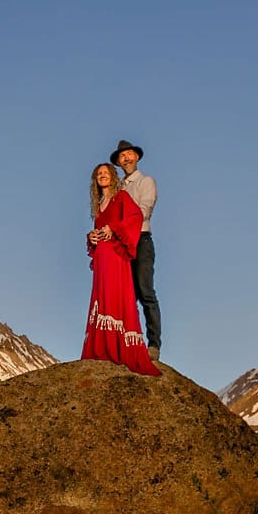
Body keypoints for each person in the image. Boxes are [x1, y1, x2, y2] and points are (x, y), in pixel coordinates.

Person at [81, 162, 160, 376]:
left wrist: (112, 228)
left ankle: (120, 345)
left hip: (116, 256)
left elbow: (135, 217)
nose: (102, 176)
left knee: (118, 296)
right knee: (102, 297)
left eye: (106, 173)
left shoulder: (122, 198)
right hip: (102, 257)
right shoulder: (99, 205)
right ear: (95, 180)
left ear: (113, 177)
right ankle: (103, 345)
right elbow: (100, 229)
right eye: (99, 174)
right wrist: (93, 236)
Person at [110, 139, 160, 359]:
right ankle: (129, 340)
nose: (126, 158)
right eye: (122, 156)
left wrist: (120, 226)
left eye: (129, 154)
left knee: (145, 291)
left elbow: (143, 210)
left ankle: (153, 344)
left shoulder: (145, 182)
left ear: (137, 157)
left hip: (140, 239)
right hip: (120, 243)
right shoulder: (117, 187)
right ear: (119, 162)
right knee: (124, 294)